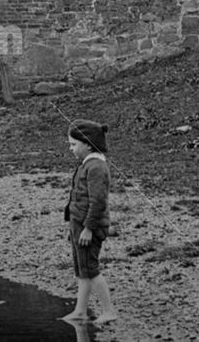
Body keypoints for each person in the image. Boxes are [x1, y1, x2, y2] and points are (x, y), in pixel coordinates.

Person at [62, 119, 119, 325]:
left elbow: (98, 202)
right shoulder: (86, 164)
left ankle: (108, 310)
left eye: (73, 145)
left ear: (87, 144)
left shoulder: (96, 167)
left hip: (89, 227)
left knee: (91, 269)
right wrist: (76, 226)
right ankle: (80, 310)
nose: (71, 149)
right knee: (81, 269)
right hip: (78, 224)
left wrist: (88, 229)